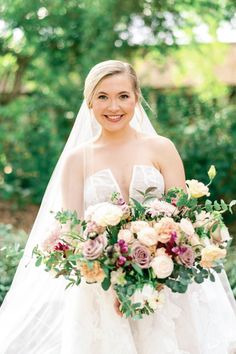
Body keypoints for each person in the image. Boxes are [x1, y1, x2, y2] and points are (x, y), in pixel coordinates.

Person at [0, 60, 236, 354]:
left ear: (137, 97)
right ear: (89, 101)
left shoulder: (161, 148)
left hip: (166, 285)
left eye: (123, 96)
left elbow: (182, 218)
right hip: (101, 292)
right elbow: (72, 232)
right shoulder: (77, 161)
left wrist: (156, 278)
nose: (114, 106)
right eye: (102, 97)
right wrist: (113, 275)